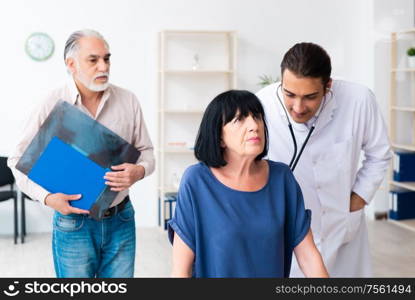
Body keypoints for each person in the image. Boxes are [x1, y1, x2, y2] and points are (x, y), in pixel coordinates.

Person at [8, 29, 155, 278]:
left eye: (107, 59)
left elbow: (147, 152)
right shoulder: (50, 101)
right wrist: (47, 198)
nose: (103, 66)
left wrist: (139, 171)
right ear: (71, 64)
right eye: (93, 59)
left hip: (121, 220)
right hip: (73, 224)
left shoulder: (128, 100)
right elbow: (17, 160)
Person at [256, 42, 391, 277]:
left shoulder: (359, 100)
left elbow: (379, 153)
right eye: (289, 94)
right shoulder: (262, 104)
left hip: (343, 225)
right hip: (290, 228)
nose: (297, 107)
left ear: (328, 86)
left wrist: (358, 198)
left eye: (309, 97)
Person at [168, 90, 328, 278]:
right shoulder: (196, 182)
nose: (254, 125)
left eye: (257, 117)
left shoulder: (282, 179)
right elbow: (181, 270)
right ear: (219, 137)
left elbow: (308, 256)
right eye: (239, 119)